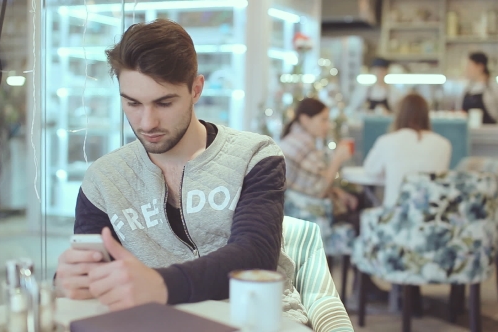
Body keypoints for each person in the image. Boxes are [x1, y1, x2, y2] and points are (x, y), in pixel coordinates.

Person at [54, 19, 308, 323]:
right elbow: (91, 270)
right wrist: (71, 279)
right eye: (132, 103)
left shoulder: (254, 156)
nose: (147, 122)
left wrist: (160, 285)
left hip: (255, 319)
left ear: (196, 89)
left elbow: (254, 256)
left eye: (164, 103)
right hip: (156, 324)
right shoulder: (104, 180)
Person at [363, 93, 452, 207]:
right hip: (431, 218)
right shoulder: (444, 144)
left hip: (395, 218)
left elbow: (370, 170)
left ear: (399, 115)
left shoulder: (387, 141)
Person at [279, 98, 359, 223]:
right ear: (305, 120)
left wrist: (337, 192)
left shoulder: (295, 139)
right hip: (306, 217)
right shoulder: (302, 146)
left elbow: (309, 184)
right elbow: (319, 191)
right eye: (323, 120)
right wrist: (337, 159)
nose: (328, 125)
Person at [456, 52, 498, 124]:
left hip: (491, 133)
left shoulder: (497, 88)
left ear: (480, 67)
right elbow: (459, 113)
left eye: (469, 66)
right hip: (468, 133)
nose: (466, 70)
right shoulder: (466, 89)